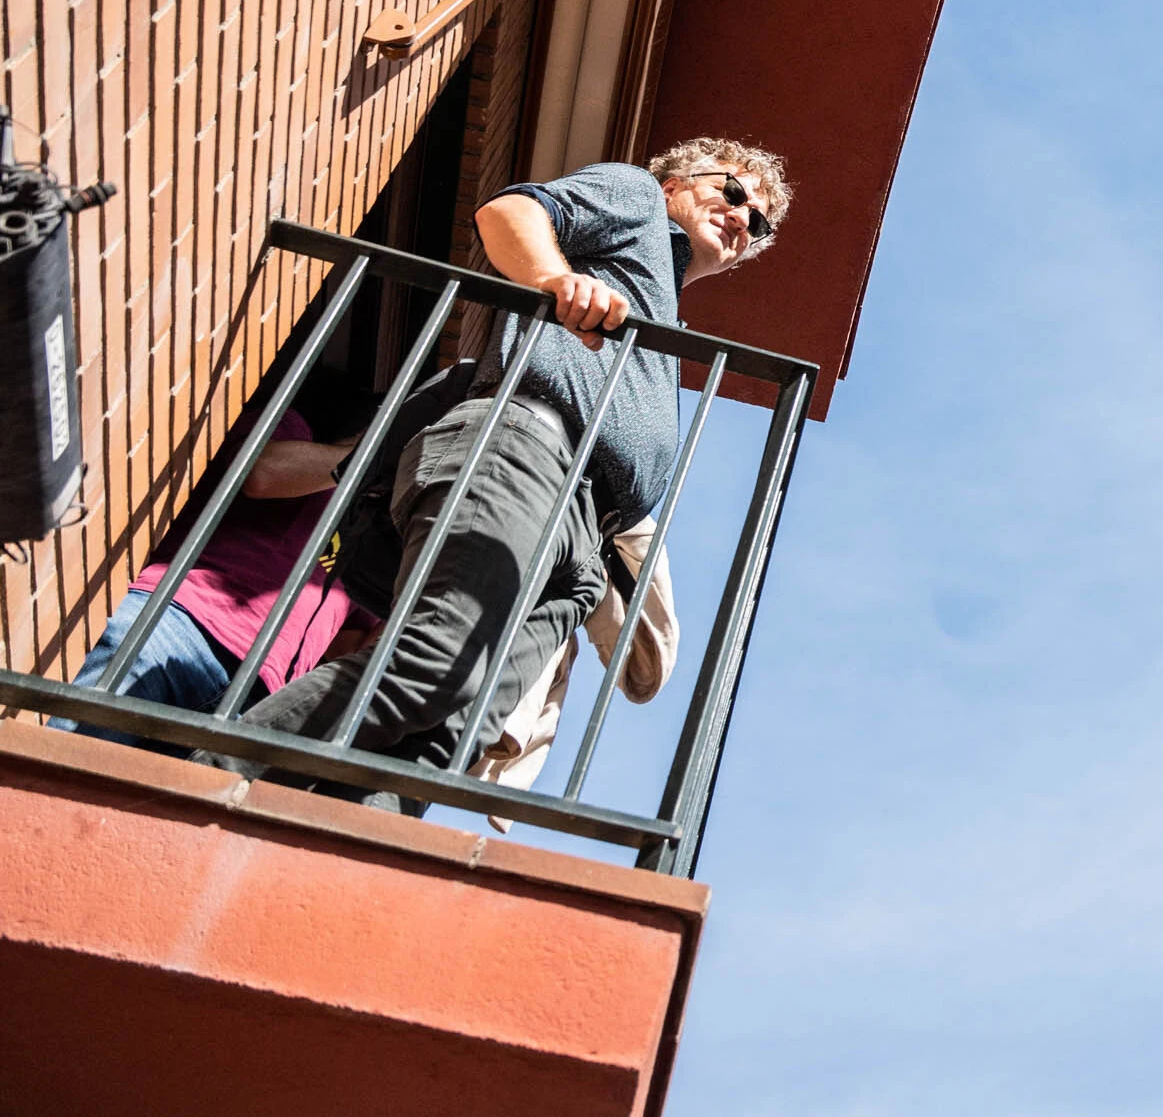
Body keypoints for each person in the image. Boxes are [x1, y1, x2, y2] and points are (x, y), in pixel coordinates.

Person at [210, 137, 789, 799]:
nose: (744, 218)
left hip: (578, 547)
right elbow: (508, 213)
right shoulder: (634, 199)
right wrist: (550, 278)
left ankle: (287, 853)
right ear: (673, 186)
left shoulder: (658, 298)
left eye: (759, 222)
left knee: (443, 743)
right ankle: (202, 784)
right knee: (432, 668)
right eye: (733, 192)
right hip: (525, 455)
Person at [57, 386, 376, 753]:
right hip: (182, 623)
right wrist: (372, 458)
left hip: (256, 695)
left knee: (121, 804)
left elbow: (347, 651)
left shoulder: (370, 540)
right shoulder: (292, 429)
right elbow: (261, 473)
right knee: (65, 758)